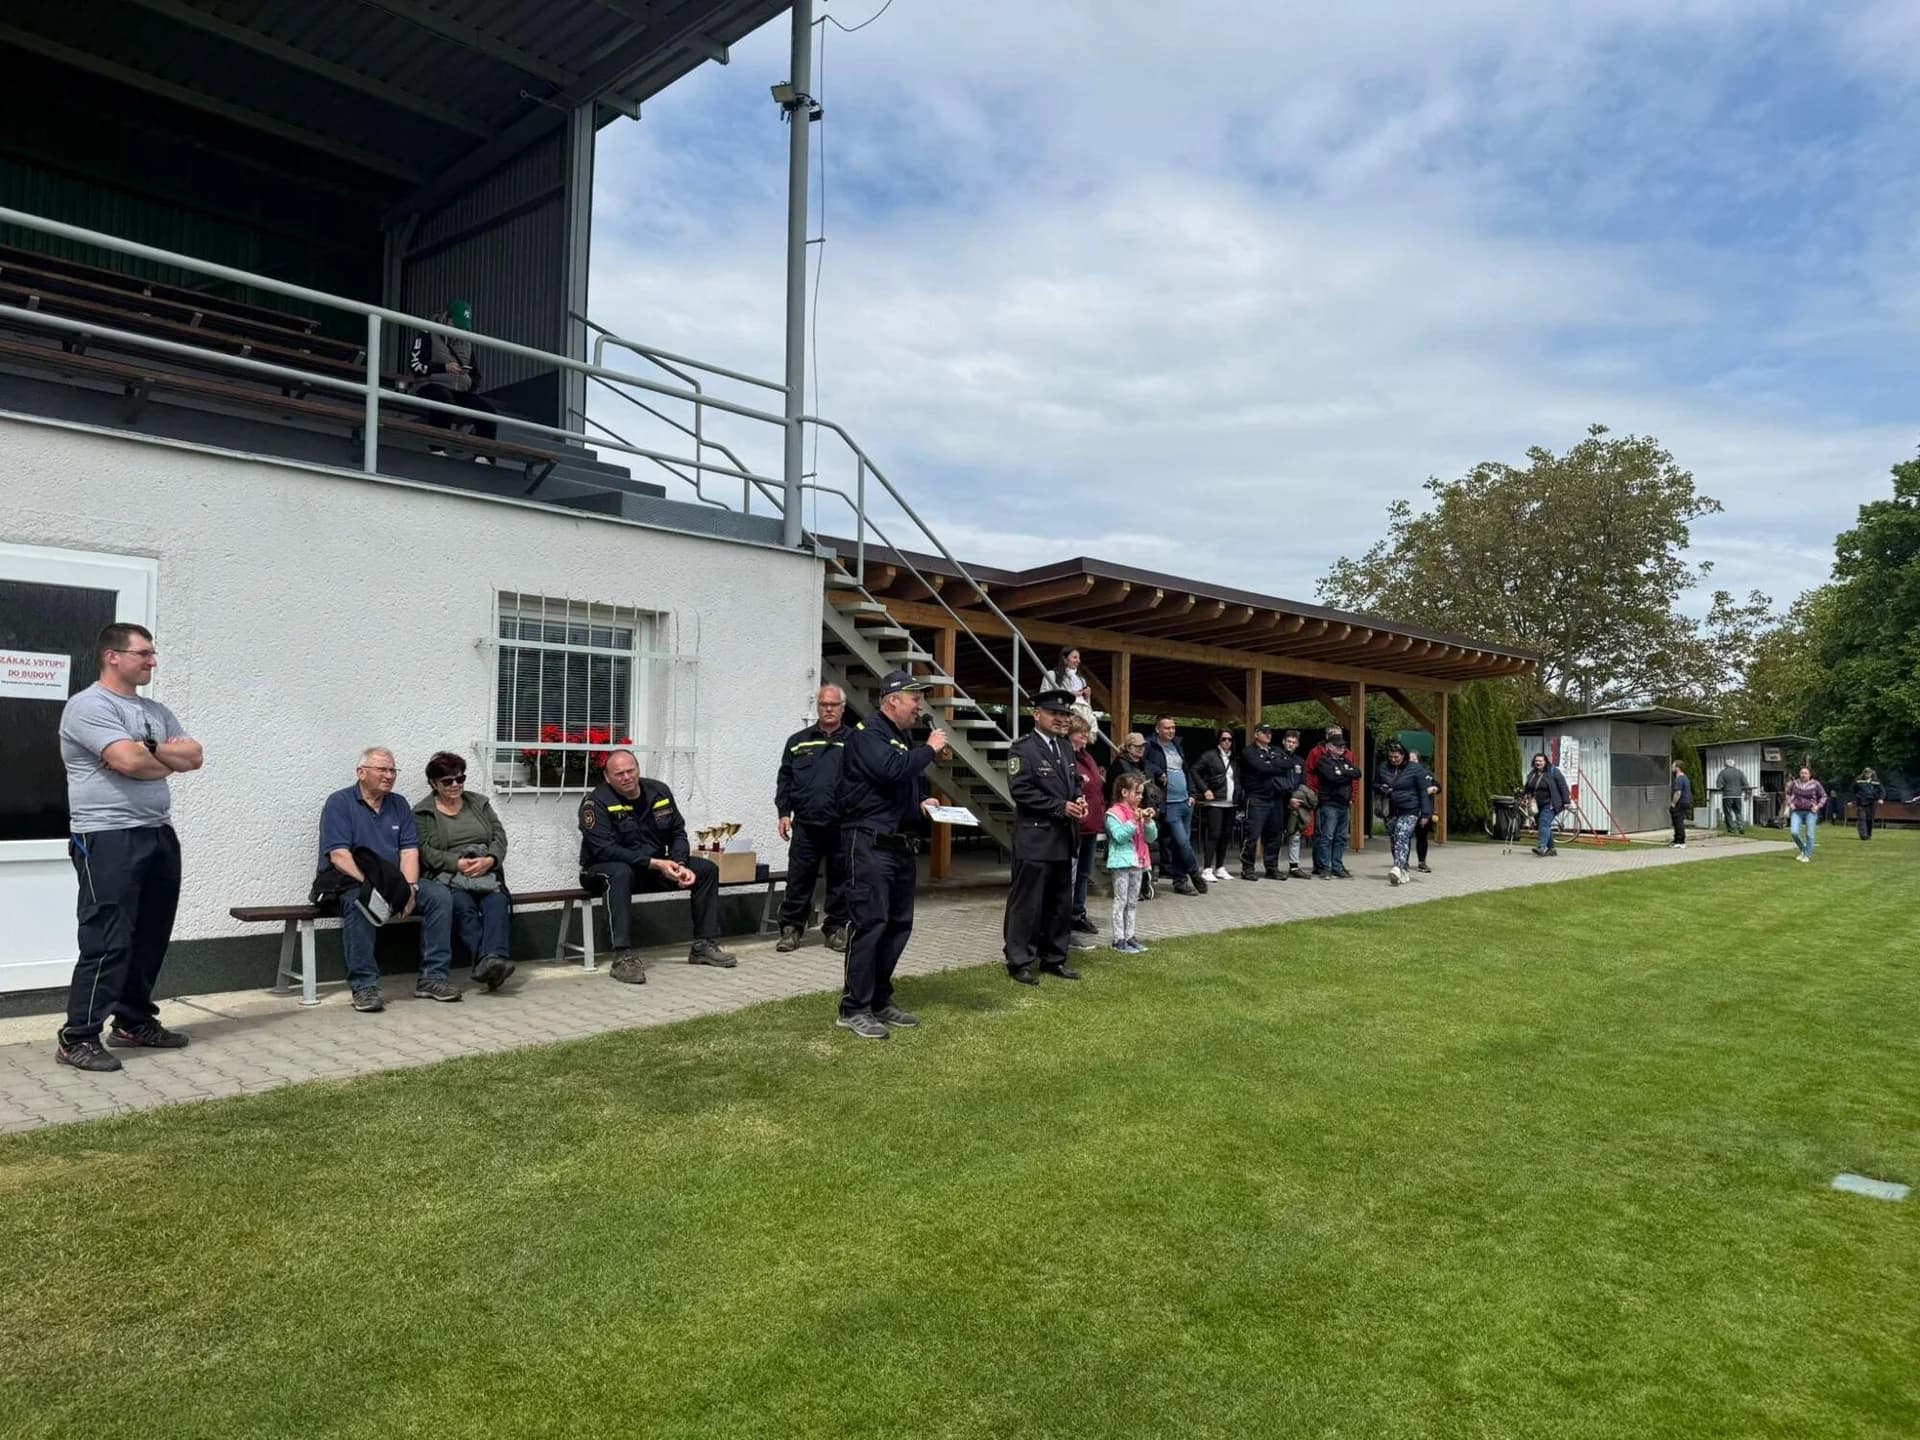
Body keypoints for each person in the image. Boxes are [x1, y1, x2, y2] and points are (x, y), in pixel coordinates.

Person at [54, 623, 204, 1072]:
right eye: (144, 653)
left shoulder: (155, 711)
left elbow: (194, 757)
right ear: (113, 656)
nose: (152, 661)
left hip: (157, 832)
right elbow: (129, 760)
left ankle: (134, 1022)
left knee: (150, 935)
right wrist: (156, 758)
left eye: (153, 653)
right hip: (107, 835)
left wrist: (149, 748)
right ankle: (77, 1037)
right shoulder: (88, 706)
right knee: (107, 938)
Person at [835, 670, 947, 1038]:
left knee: (898, 925)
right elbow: (890, 770)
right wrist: (929, 749)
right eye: (915, 699)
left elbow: (895, 789)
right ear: (892, 700)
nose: (920, 706)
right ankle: (854, 1008)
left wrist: (920, 803)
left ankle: (880, 999)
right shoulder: (868, 733)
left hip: (898, 845)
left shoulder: (900, 738)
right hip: (869, 844)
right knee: (870, 923)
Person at [315, 747, 458, 1011]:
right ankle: (364, 987)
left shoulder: (399, 804)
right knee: (361, 903)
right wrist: (373, 888)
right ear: (361, 773)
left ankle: (433, 978)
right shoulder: (339, 803)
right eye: (382, 769)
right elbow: (339, 856)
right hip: (351, 881)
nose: (390, 775)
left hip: (392, 881)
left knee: (439, 896)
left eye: (393, 770)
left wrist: (410, 889)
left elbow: (409, 851)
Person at [579, 750, 736, 983]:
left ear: (638, 769)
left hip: (651, 867)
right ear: (607, 777)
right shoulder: (595, 803)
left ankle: (704, 945)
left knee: (706, 870)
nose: (626, 777)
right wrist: (655, 863)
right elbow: (605, 850)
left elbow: (678, 832)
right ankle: (622, 957)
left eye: (630, 770)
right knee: (620, 873)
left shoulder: (659, 791)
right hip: (601, 870)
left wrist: (679, 864)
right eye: (619, 773)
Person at [411, 752, 514, 993]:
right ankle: (490, 963)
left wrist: (490, 860)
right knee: (463, 906)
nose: (455, 785)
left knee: (497, 902)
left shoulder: (479, 803)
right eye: (447, 781)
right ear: (433, 784)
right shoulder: (422, 813)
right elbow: (424, 850)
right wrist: (456, 863)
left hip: (485, 873)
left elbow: (499, 836)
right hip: (449, 877)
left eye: (460, 778)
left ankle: (491, 960)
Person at [1004, 689, 1087, 985]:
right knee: (1027, 904)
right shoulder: (1022, 749)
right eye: (1055, 713)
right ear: (1036, 714)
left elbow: (1073, 782)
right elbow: (1021, 791)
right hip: (1036, 839)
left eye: (1065, 714)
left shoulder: (1065, 747)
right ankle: (1019, 961)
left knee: (1059, 904)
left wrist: (1078, 799)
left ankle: (1054, 958)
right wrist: (1059, 806)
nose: (1062, 719)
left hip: (1063, 839)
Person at [774, 685, 851, 953]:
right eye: (823, 704)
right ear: (817, 707)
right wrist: (784, 813)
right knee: (799, 879)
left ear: (843, 707)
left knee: (841, 880)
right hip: (805, 825)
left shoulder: (855, 741)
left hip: (842, 824)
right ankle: (791, 929)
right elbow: (785, 780)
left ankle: (836, 928)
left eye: (833, 704)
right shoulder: (798, 741)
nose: (828, 709)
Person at [408, 298, 501, 449]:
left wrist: (468, 380)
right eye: (456, 324)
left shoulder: (467, 343)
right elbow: (415, 365)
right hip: (430, 385)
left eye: (463, 327)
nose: (459, 330)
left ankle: (485, 456)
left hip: (459, 390)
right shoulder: (427, 333)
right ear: (447, 318)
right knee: (444, 400)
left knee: (488, 412)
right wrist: (444, 368)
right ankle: (438, 449)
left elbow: (476, 376)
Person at [1144, 715, 1208, 895]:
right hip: (1169, 803)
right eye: (1167, 728)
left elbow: (1186, 770)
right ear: (1157, 729)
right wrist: (1158, 771)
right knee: (1182, 842)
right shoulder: (1150, 746)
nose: (1171, 731)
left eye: (1173, 727)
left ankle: (1180, 882)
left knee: (1182, 845)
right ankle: (1195, 873)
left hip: (1185, 802)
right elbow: (1144, 763)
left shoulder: (1177, 745)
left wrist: (1192, 794)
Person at [1103, 771, 1157, 954]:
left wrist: (1148, 822)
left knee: (1133, 902)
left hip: (1138, 861)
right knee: (1121, 901)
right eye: (1137, 793)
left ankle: (1130, 936)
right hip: (1121, 863)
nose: (1141, 797)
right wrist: (1133, 821)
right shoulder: (1113, 814)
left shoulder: (1138, 812)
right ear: (1124, 792)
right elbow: (1119, 836)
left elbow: (1150, 838)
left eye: (1142, 793)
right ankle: (1118, 939)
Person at [1237, 722, 1299, 880]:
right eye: (1264, 732)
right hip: (1256, 798)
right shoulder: (1249, 751)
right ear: (1256, 734)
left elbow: (1289, 763)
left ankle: (1272, 868)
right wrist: (1275, 765)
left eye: (1270, 732)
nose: (1268, 735)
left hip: (1275, 799)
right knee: (1252, 835)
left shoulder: (1276, 750)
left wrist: (1270, 763)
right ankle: (1247, 868)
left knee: (1275, 835)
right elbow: (1261, 767)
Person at [1067, 714, 1107, 945]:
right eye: (1080, 733)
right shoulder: (1066, 756)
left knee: (1084, 874)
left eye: (1086, 732)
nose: (1085, 736)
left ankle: (1078, 913)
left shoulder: (1087, 756)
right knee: (1070, 876)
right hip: (1075, 826)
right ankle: (1063, 920)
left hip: (1091, 824)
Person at [1304, 727, 1363, 873]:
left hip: (1344, 802)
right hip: (1327, 801)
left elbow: (1357, 773)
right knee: (1326, 836)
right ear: (1329, 743)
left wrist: (1352, 793)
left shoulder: (1346, 757)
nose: (1341, 747)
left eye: (1342, 743)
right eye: (1337, 743)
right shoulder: (1320, 756)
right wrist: (1345, 773)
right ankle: (1322, 866)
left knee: (1340, 837)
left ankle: (1336, 866)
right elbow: (1330, 777)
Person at [1374, 740, 1432, 885]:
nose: (1393, 760)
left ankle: (1397, 867)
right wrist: (1381, 788)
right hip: (1391, 809)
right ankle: (1403, 870)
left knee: (1402, 835)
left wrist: (1426, 813)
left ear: (1403, 755)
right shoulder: (1383, 768)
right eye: (1391, 757)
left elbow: (1423, 791)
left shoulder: (1415, 769)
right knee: (1395, 840)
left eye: (1396, 757)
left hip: (1410, 808)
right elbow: (1375, 784)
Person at [1191, 727, 1238, 882]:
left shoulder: (1233, 757)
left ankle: (1220, 867)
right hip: (1216, 801)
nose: (1227, 742)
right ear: (1219, 740)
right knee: (1214, 834)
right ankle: (1206, 868)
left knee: (1226, 835)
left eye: (1229, 739)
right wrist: (1205, 789)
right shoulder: (1210, 755)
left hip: (1230, 802)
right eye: (1224, 739)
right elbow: (1194, 770)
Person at [1522, 752, 1570, 857]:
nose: (1538, 763)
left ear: (1545, 762)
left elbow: (1563, 786)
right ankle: (1552, 849)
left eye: (1540, 761)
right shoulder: (1532, 773)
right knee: (1543, 825)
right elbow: (1528, 787)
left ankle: (1542, 847)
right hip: (1536, 805)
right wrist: (1523, 796)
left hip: (1550, 803)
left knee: (1544, 822)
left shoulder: (1553, 771)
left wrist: (1566, 801)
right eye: (1536, 761)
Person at [1408, 747, 1441, 873]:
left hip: (1424, 811)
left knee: (1422, 836)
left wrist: (1434, 789)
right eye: (1410, 760)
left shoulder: (1427, 774)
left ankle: (1422, 862)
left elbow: (1438, 787)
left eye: (1414, 760)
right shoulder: (1404, 775)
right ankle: (1402, 862)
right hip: (1409, 809)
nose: (1412, 762)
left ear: (1419, 761)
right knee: (1405, 837)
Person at [1785, 766, 1826, 862]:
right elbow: (1788, 793)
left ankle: (1807, 855)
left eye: (1805, 773)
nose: (1803, 775)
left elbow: (1823, 796)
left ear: (1810, 775)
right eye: (1801, 773)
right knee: (1794, 832)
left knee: (1809, 834)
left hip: (1811, 811)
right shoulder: (1795, 783)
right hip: (1797, 811)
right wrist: (1790, 804)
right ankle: (1803, 849)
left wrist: (1818, 806)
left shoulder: (1815, 784)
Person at [1714, 758, 1749, 835]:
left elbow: (1719, 785)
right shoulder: (1739, 772)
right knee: (1738, 812)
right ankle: (1741, 826)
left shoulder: (1723, 773)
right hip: (1738, 796)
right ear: (1734, 764)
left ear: (1726, 765)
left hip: (1727, 796)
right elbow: (1746, 784)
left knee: (1728, 812)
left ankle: (1731, 829)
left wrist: (1724, 787)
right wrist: (1746, 793)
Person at [1853, 768, 1884, 840]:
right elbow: (1853, 790)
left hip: (1871, 803)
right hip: (1861, 803)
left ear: (1871, 773)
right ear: (1864, 773)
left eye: (1869, 773)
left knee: (1869, 819)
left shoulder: (1876, 782)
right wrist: (1851, 800)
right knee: (1862, 818)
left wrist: (1881, 798)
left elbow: (1882, 791)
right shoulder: (1858, 781)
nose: (1867, 774)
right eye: (1866, 773)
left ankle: (1868, 834)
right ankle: (1863, 835)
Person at [1668, 761, 1693, 849]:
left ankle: (1680, 841)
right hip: (1685, 802)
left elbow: (1678, 792)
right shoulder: (1685, 778)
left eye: (1673, 766)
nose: (1672, 768)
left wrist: (1673, 803)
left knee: (1678, 822)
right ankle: (1677, 840)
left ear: (1677, 768)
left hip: (1680, 802)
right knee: (1679, 821)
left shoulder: (1679, 779)